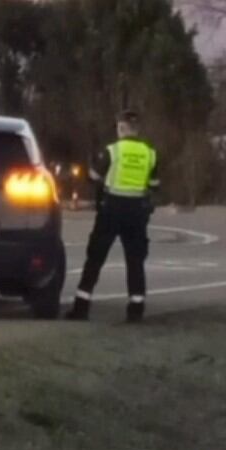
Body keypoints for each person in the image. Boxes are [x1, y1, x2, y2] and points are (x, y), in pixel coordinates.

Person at [65, 110, 160, 323]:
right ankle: (136, 309)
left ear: (122, 128)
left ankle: (81, 306)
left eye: (118, 127)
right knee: (135, 260)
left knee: (96, 257)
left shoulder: (113, 151)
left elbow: (94, 177)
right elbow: (155, 185)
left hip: (111, 210)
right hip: (137, 212)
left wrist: (90, 168)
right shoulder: (150, 153)